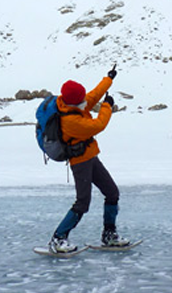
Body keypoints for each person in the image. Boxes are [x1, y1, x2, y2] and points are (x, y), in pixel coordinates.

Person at [49, 65, 130, 253]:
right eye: (81, 99)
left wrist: (109, 79)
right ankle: (58, 238)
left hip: (91, 157)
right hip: (80, 163)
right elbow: (98, 125)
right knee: (82, 203)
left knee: (112, 193)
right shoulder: (71, 121)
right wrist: (107, 105)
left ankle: (109, 235)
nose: (85, 101)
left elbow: (93, 94)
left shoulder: (74, 104)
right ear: (74, 101)